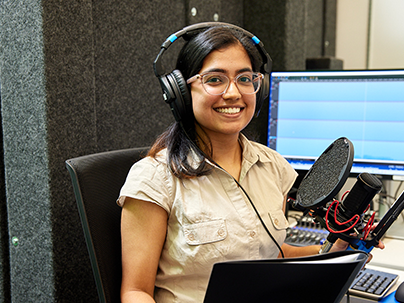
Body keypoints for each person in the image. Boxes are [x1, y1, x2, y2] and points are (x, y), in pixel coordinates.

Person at [118, 22, 381, 303]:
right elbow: (136, 292)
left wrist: (332, 252)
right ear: (181, 92)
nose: (233, 93)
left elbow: (272, 256)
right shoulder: (154, 178)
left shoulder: (273, 166)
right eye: (215, 79)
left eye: (245, 79)